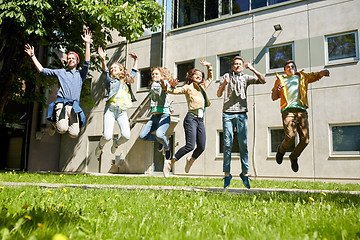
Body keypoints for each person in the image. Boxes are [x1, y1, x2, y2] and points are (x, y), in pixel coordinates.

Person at [24, 30, 92, 138]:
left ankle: (57, 123)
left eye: (73, 58)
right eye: (68, 58)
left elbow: (87, 62)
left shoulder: (81, 74)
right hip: (62, 104)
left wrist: (87, 43)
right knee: (62, 129)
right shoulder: (61, 72)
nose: (70, 60)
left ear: (77, 61)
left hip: (74, 106)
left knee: (74, 134)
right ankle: (54, 124)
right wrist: (33, 56)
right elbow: (42, 70)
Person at [272, 60, 330, 172]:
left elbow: (314, 76)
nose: (290, 68)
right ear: (285, 70)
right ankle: (281, 150)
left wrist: (321, 73)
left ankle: (293, 157)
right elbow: (274, 97)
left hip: (301, 111)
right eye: (287, 67)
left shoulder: (302, 77)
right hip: (288, 110)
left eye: (292, 66)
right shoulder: (280, 80)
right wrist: (277, 90)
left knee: (305, 140)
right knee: (290, 137)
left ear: (295, 69)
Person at [217, 56, 266, 189]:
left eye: (240, 64)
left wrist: (252, 69)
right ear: (233, 66)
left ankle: (244, 173)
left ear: (243, 66)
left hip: (241, 113)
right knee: (227, 144)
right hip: (227, 113)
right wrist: (224, 83)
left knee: (243, 144)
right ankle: (227, 175)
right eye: (236, 64)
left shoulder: (246, 77)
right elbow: (218, 94)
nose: (238, 66)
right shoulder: (226, 76)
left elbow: (263, 81)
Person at [161, 59, 213, 178]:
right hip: (191, 119)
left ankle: (191, 160)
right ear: (191, 76)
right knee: (190, 145)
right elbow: (174, 91)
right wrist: (167, 87)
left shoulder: (202, 87)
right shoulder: (188, 87)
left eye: (201, 75)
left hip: (200, 120)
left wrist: (209, 66)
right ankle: (170, 162)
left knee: (201, 147)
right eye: (197, 74)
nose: (199, 76)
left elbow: (210, 78)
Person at [94, 47, 138, 158]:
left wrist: (136, 60)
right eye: (111, 68)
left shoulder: (126, 80)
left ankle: (116, 143)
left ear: (121, 70)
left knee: (126, 136)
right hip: (110, 109)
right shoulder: (110, 81)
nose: (112, 69)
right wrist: (103, 60)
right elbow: (104, 72)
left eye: (115, 67)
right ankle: (100, 146)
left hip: (122, 111)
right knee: (107, 136)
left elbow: (133, 72)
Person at [139, 67, 172, 166]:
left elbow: (167, 90)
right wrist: (171, 106)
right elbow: (164, 99)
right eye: (153, 74)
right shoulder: (153, 86)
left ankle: (167, 147)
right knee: (142, 136)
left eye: (156, 74)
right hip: (154, 117)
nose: (154, 76)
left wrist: (167, 85)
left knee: (159, 134)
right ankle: (161, 140)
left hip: (164, 116)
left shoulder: (164, 83)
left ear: (162, 76)